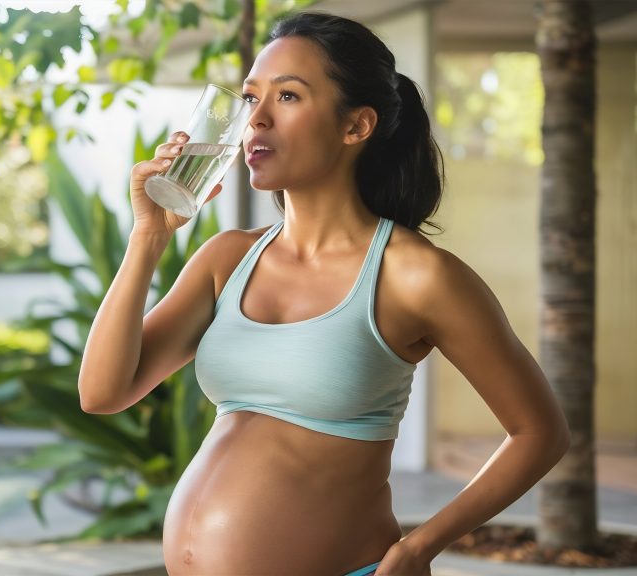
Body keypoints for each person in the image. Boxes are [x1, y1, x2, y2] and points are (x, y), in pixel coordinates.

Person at [77, 10, 570, 576]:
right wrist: (147, 237)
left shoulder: (415, 275)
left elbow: (540, 432)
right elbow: (102, 393)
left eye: (287, 97)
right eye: (249, 97)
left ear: (356, 126)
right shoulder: (228, 259)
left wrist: (420, 546)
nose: (255, 119)